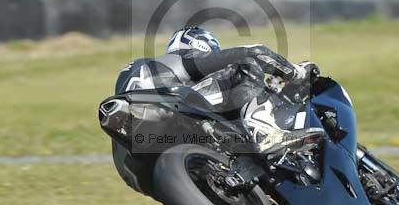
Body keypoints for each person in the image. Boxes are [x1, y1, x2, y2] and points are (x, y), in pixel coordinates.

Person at [116, 27, 324, 155]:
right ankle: (265, 133)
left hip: (135, 157)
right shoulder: (184, 57)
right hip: (167, 107)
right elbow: (256, 51)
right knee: (246, 64)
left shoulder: (154, 69)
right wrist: (296, 73)